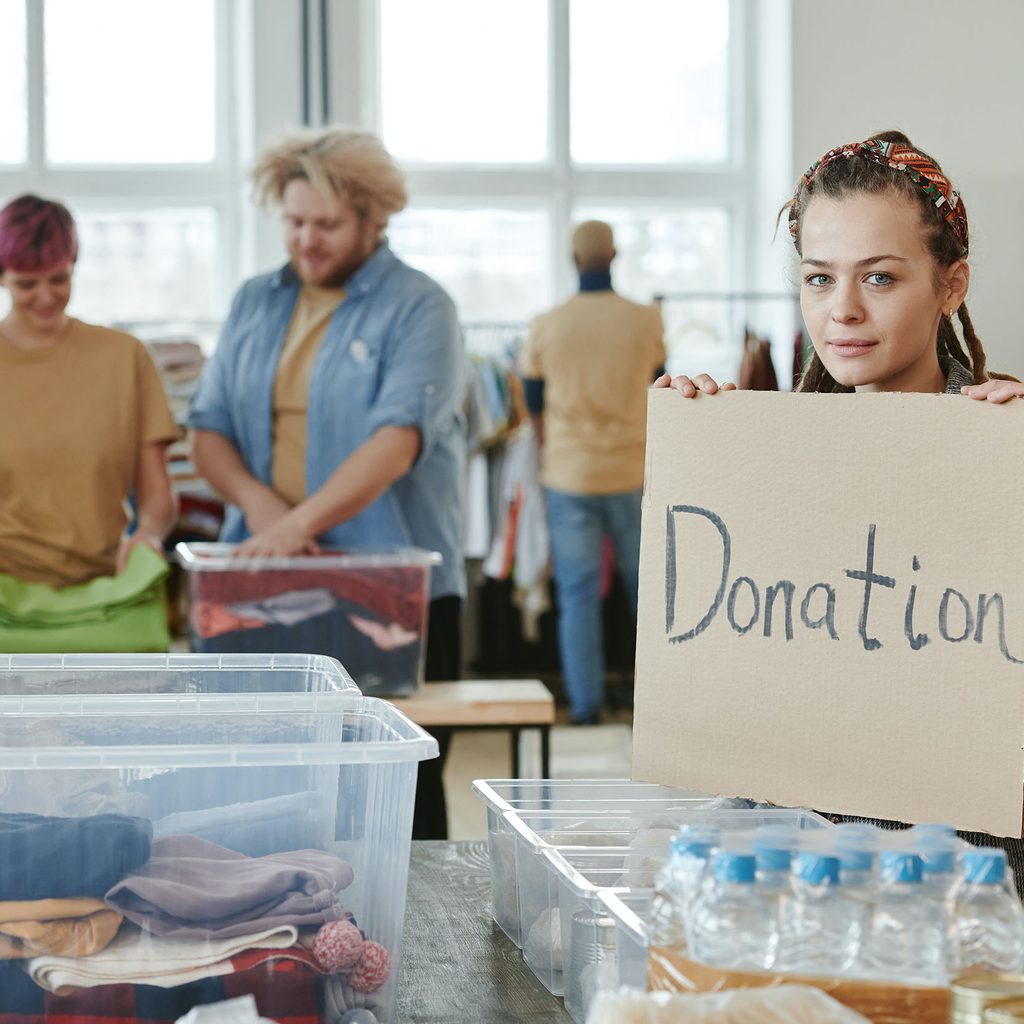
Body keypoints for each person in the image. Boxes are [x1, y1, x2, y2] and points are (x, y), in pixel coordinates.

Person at [658, 129, 1024, 889]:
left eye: (880, 278)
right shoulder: (765, 454)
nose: (844, 310)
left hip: (962, 878)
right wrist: (701, 456)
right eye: (819, 279)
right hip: (796, 866)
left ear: (951, 285)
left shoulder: (1004, 442)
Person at [187, 127, 466, 839]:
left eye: (327, 225)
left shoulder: (421, 307)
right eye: (294, 222)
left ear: (373, 220)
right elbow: (209, 430)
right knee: (269, 783)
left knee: (392, 793)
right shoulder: (255, 301)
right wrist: (265, 513)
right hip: (267, 577)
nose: (306, 240)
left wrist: (296, 527)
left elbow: (396, 441)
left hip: (393, 593)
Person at [0, 194, 179, 652]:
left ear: (75, 265)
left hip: (108, 593)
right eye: (26, 284)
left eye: (59, 278)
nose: (46, 296)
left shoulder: (123, 358)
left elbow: (156, 490)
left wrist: (149, 534)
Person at [521, 220, 666, 724]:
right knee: (648, 595)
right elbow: (660, 388)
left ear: (573, 258)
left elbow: (533, 406)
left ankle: (585, 708)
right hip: (632, 471)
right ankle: (656, 705)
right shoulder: (646, 321)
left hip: (569, 475)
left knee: (578, 596)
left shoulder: (547, 323)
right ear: (615, 255)